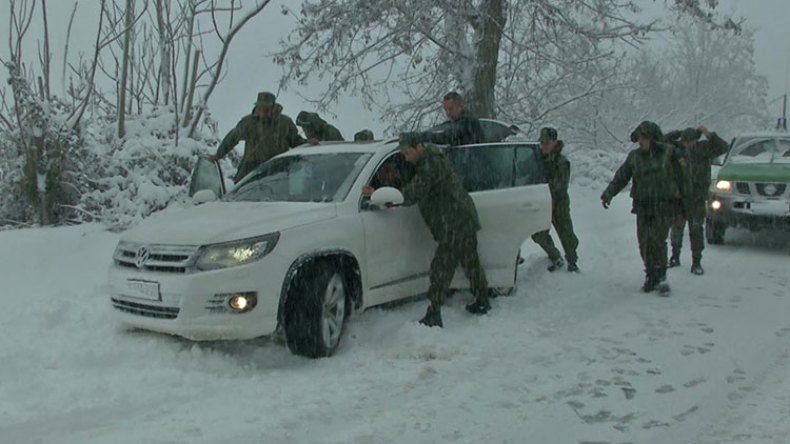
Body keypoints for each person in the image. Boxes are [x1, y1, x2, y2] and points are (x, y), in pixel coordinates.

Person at [362, 132, 491, 327]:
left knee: (441, 268)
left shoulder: (431, 164)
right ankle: (482, 299)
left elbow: (412, 193)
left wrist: (379, 195)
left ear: (419, 147)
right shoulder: (428, 160)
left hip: (454, 223)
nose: (406, 158)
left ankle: (434, 312)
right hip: (461, 218)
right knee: (470, 261)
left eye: (408, 153)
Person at [600, 121, 688, 296]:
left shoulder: (670, 154)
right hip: (643, 206)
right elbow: (622, 176)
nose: (641, 141)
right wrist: (609, 193)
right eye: (639, 138)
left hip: (664, 205)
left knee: (658, 241)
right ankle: (651, 274)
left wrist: (683, 207)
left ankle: (661, 277)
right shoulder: (635, 157)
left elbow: (683, 180)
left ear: (653, 138)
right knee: (644, 243)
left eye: (644, 138)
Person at [663, 126, 728, 275]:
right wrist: (678, 132)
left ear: (696, 140)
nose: (689, 144)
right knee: (676, 229)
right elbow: (661, 141)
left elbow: (724, 147)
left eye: (691, 141)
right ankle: (675, 256)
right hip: (679, 197)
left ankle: (696, 261)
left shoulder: (703, 149)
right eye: (686, 141)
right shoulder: (675, 150)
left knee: (696, 229)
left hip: (696, 197)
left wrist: (709, 134)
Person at [209, 92, 304, 183]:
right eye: (260, 108)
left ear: (273, 108)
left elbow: (296, 141)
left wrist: (309, 143)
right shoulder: (248, 123)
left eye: (266, 109)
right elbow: (232, 138)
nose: (263, 112)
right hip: (251, 173)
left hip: (277, 173)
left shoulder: (284, 123)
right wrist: (218, 155)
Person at [530, 127, 580, 272]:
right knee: (538, 233)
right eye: (542, 143)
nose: (544, 146)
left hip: (559, 202)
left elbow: (560, 185)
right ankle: (555, 256)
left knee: (566, 233)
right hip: (541, 201)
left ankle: (572, 261)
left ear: (555, 142)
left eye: (547, 142)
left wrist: (547, 192)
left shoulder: (562, 162)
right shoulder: (536, 159)